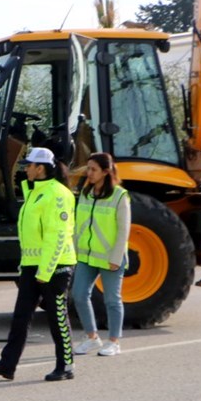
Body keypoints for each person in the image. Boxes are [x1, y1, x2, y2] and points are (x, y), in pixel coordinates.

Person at [0, 146, 78, 381]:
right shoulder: (36, 192)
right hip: (32, 265)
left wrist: (45, 271)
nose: (25, 169)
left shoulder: (57, 194)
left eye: (29, 165)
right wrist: (26, 266)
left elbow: (57, 235)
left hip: (55, 267)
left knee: (57, 317)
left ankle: (66, 365)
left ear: (41, 168)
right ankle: (7, 364)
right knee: (21, 316)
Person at [72, 152, 130, 357]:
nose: (89, 173)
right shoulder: (86, 194)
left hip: (110, 258)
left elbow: (123, 230)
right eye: (88, 168)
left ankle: (113, 341)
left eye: (93, 169)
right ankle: (92, 337)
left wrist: (115, 258)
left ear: (106, 172)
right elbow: (78, 225)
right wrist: (75, 251)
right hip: (87, 256)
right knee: (78, 295)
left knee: (112, 300)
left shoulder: (120, 196)